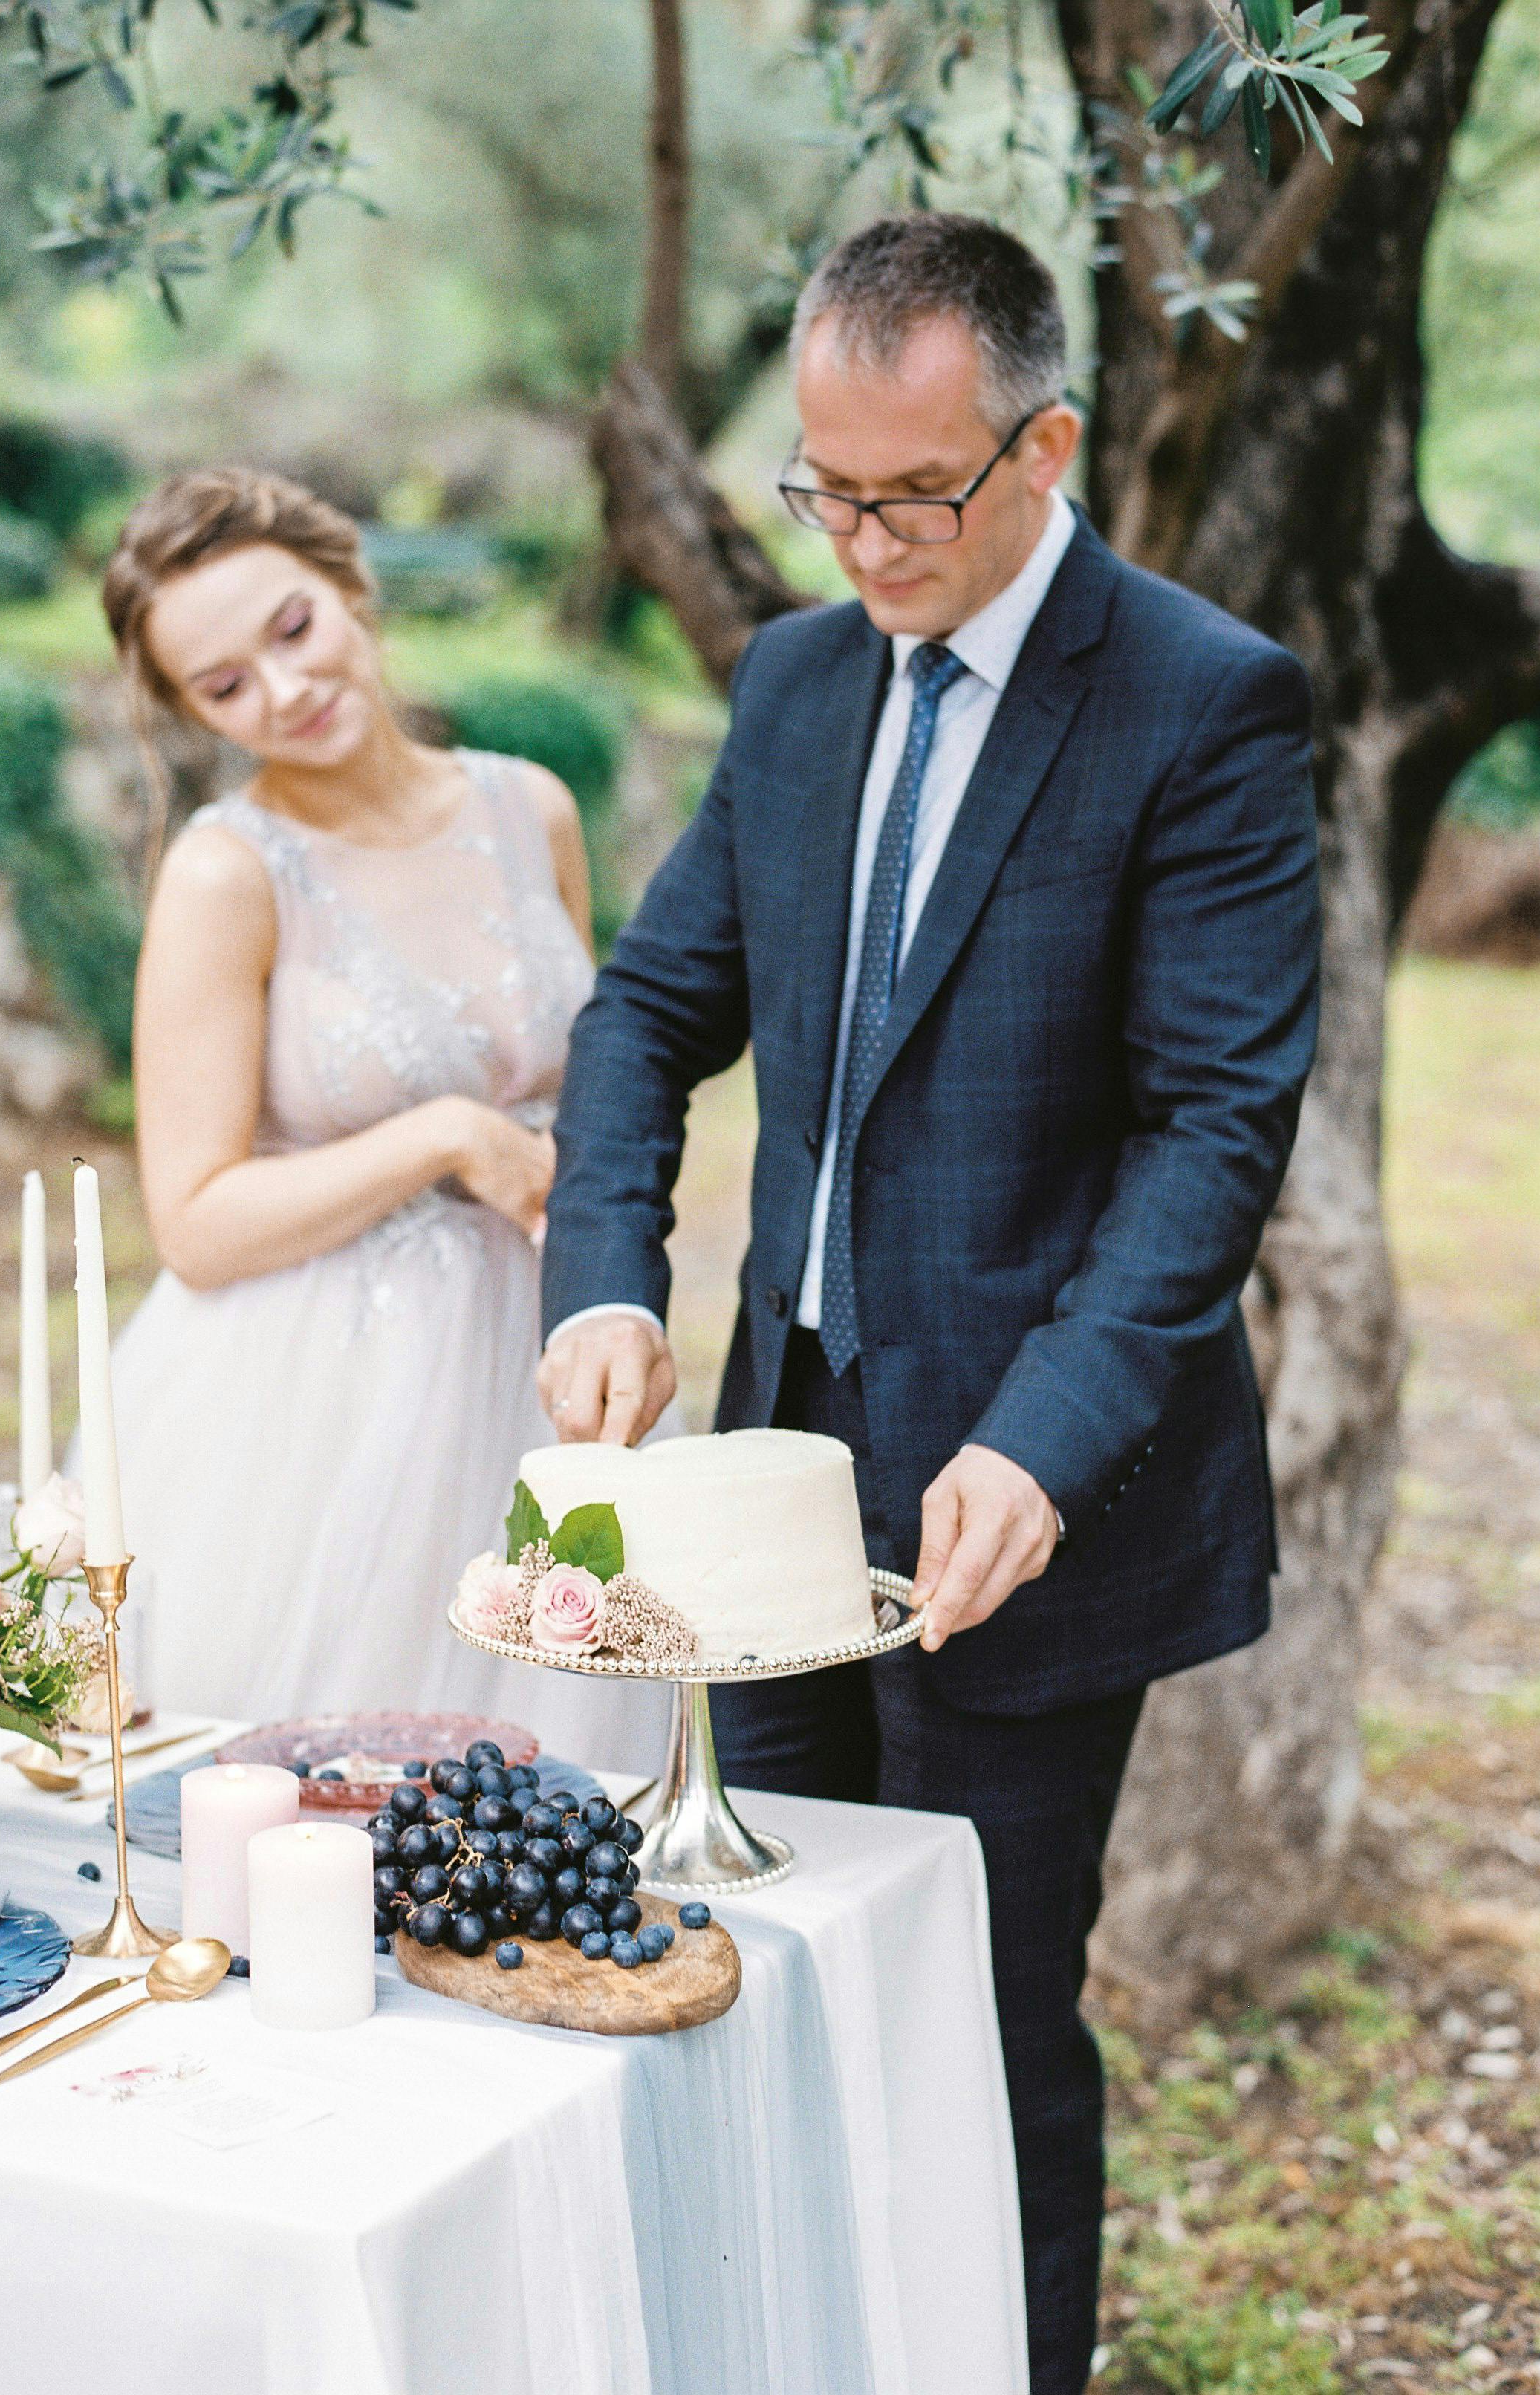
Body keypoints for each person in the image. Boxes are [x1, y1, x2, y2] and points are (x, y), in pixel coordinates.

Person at [539, 215, 1320, 2391]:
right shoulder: (789, 686)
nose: (860, 541)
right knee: (759, 1955)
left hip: (1026, 1502)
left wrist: (1036, 1440)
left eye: (908, 492)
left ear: (1041, 443)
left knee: (975, 2010)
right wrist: (604, 1270)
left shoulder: (1202, 702)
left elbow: (1205, 1138)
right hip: (770, 1476)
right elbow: (644, 1014)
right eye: (821, 489)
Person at [96, 467, 663, 1771]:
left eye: (290, 630)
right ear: (192, 713)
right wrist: (442, 1138)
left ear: (347, 587)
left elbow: (589, 1089)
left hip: (541, 1355)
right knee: (337, 1803)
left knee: (568, 1773)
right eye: (225, 685)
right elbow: (193, 1221)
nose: (283, 691)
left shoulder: (532, 809)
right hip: (319, 1403)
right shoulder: (226, 874)